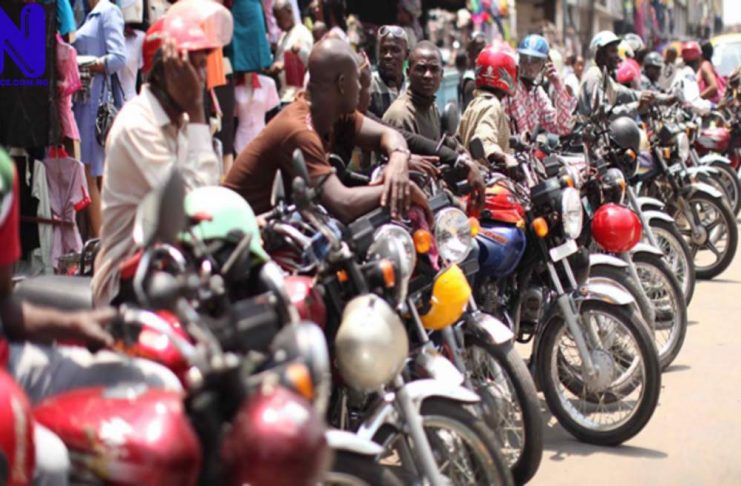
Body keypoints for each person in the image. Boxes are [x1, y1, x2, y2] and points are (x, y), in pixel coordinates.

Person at [0, 148, 180, 486]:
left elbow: (5, 305)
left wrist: (78, 324)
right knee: (49, 461)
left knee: (157, 385)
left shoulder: (3, 176)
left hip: (12, 362)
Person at [92, 14, 224, 305]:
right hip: (127, 281)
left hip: (172, 264)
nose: (200, 78)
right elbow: (196, 203)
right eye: (192, 67)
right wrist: (198, 110)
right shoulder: (137, 126)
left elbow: (212, 198)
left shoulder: (180, 121)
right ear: (164, 73)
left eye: (203, 66)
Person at [224, 38, 428, 223]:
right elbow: (343, 204)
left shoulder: (336, 114)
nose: (360, 88)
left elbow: (388, 134)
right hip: (237, 235)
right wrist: (404, 190)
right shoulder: (298, 130)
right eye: (356, 80)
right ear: (342, 84)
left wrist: (398, 159)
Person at [72, 0, 127, 238]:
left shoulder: (107, 11)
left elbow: (119, 57)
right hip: (85, 100)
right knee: (93, 175)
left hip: (95, 103)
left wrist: (89, 65)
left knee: (89, 174)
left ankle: (104, 242)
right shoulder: (86, 12)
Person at [577, 31, 663, 120]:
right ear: (600, 54)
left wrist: (664, 99)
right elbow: (603, 113)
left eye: (617, 51)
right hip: (589, 129)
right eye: (613, 51)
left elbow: (630, 94)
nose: (618, 56)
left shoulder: (606, 79)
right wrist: (636, 106)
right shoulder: (594, 76)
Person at [504, 34, 576, 136]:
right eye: (525, 59)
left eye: (534, 61)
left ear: (544, 64)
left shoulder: (537, 93)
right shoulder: (510, 89)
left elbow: (563, 128)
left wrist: (558, 85)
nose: (528, 66)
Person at [458, 46, 517, 168]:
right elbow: (484, 139)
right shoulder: (492, 105)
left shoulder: (474, 103)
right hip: (490, 175)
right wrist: (505, 157)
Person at [383, 41, 445, 141]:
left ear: (441, 75)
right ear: (408, 73)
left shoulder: (432, 107)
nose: (428, 75)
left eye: (434, 69)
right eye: (421, 69)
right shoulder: (400, 115)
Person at [267, 0, 314, 103]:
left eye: (280, 18)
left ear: (289, 12)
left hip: (296, 96)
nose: (278, 23)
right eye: (276, 19)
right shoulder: (283, 37)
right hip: (283, 94)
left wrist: (284, 64)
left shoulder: (302, 32)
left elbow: (307, 60)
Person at [368, 25, 409, 119]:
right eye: (383, 50)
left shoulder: (410, 89)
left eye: (395, 50)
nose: (388, 56)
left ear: (407, 54)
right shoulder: (369, 86)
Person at [670, 42, 715, 115]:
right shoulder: (689, 74)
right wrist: (712, 106)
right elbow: (693, 102)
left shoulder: (681, 71)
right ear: (698, 59)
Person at [458, 32, 487, 112]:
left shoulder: (483, 76)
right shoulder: (471, 81)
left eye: (484, 50)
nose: (483, 53)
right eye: (479, 51)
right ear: (470, 54)